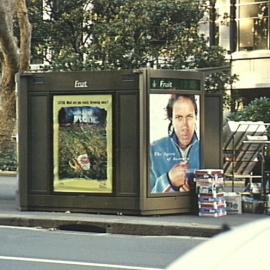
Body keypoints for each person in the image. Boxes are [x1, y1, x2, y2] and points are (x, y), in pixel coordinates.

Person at [150, 94, 200, 193]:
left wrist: (195, 192)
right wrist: (168, 180)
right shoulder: (154, 150)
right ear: (171, 120)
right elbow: (144, 198)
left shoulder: (206, 150)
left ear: (196, 118)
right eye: (179, 117)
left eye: (189, 117)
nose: (185, 126)